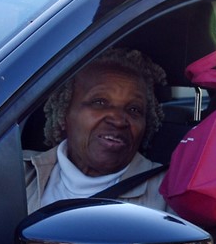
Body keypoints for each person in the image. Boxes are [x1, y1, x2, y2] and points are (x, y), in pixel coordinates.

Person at [25, 47, 169, 212]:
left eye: (134, 109)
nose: (118, 120)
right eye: (100, 102)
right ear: (64, 113)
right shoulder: (14, 174)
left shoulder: (168, 193)